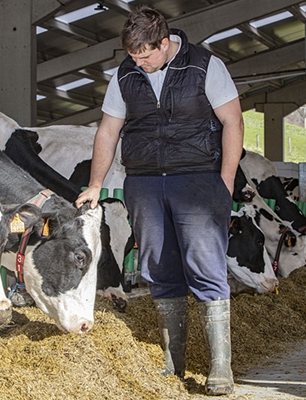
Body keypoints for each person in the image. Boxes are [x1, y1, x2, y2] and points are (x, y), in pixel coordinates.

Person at [75, 5, 244, 396]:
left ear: (164, 43)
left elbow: (233, 121)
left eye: (146, 55)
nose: (141, 63)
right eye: (134, 57)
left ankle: (221, 366)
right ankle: (174, 361)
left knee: (205, 267)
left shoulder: (204, 65)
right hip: (146, 183)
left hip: (198, 181)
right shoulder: (125, 74)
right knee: (158, 267)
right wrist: (96, 184)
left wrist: (226, 182)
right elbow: (108, 130)